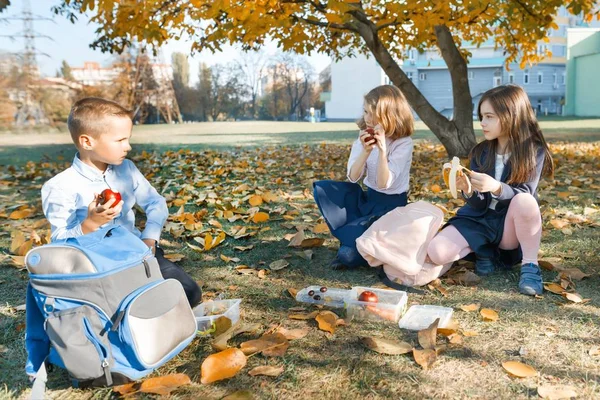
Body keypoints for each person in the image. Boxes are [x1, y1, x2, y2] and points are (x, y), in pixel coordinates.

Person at [41, 97, 201, 307]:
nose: (128, 147)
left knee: (189, 293)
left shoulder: (127, 170)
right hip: (98, 266)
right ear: (87, 141)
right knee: (126, 305)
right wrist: (91, 223)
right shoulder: (60, 186)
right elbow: (60, 243)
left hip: (138, 253)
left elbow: (155, 202)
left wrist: (150, 239)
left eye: (128, 139)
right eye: (120, 140)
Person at [427, 85, 554, 296]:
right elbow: (478, 204)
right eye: (481, 116)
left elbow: (524, 193)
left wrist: (496, 187)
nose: (483, 123)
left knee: (526, 201)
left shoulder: (534, 151)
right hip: (479, 220)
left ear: (511, 116)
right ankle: (484, 252)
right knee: (437, 252)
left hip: (509, 225)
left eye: (489, 117)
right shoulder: (480, 152)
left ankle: (530, 266)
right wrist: (468, 190)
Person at [313, 85, 414, 269]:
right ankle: (356, 241)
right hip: (367, 201)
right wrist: (366, 152)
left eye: (372, 114)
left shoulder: (403, 144)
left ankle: (361, 246)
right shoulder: (364, 137)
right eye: (365, 111)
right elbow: (353, 176)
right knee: (324, 190)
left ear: (388, 116)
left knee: (348, 256)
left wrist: (382, 151)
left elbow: (384, 183)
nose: (367, 118)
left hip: (391, 209)